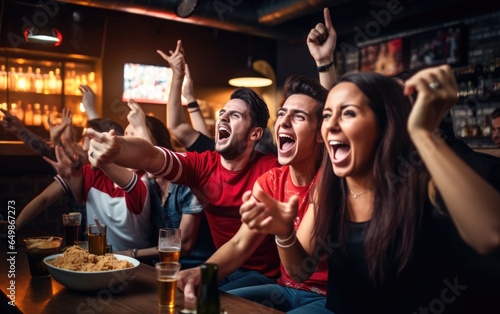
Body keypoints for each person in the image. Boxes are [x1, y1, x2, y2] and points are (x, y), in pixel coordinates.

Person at [241, 65, 500, 313]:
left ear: (384, 127)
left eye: (349, 113)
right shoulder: (331, 188)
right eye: (327, 116)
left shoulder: (423, 184)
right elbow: (299, 271)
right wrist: (284, 233)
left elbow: (491, 234)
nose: (330, 125)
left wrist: (422, 132)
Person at [85, 86, 281, 302]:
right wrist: (117, 149)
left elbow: (238, 245)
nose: (223, 118)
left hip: (260, 276)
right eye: (222, 113)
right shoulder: (203, 164)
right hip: (218, 266)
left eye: (234, 115)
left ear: (255, 133)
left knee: (205, 302)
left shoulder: (271, 170)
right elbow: (151, 156)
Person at [228, 75, 329, 313]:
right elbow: (239, 244)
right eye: (282, 113)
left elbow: (300, 270)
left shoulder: (330, 178)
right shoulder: (270, 181)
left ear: (320, 133)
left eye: (299, 116)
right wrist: (201, 274)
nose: (283, 122)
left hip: (327, 298)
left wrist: (325, 63)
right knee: (212, 304)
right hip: (283, 289)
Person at [117, 99, 216, 268]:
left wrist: (132, 254)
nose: (127, 144)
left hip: (196, 270)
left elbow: (183, 246)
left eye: (133, 138)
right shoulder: (148, 183)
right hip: (161, 268)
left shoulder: (186, 182)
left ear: (158, 145)